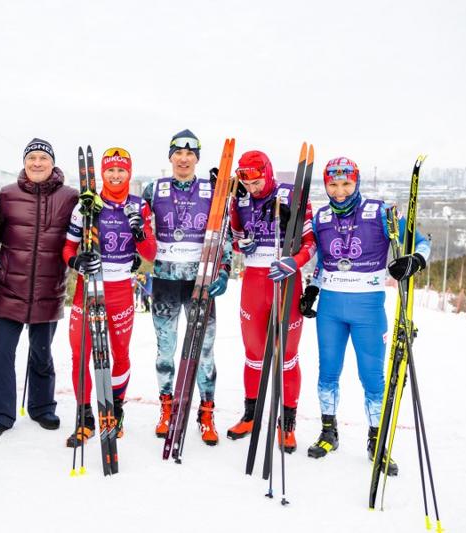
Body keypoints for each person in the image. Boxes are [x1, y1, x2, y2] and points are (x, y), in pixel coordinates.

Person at [300, 157, 430, 476]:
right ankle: (329, 432)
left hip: (368, 309)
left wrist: (415, 260)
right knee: (327, 373)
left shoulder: (381, 212)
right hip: (331, 308)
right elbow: (323, 260)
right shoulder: (322, 216)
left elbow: (421, 241)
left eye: (346, 184)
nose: (340, 191)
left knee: (372, 378)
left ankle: (376, 441)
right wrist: (313, 288)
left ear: (356, 182)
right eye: (333, 184)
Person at [0, 138, 78, 439]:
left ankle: (42, 406)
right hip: (10, 289)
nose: (37, 163)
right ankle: (0, 414)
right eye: (31, 158)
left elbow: (80, 235)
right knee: (3, 353)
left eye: (42, 158)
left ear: (52, 163)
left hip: (49, 289)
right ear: (24, 162)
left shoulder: (70, 197)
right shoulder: (8, 195)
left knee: (42, 353)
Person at [142, 129, 231, 446]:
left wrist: (224, 269)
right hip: (165, 281)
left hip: (200, 281)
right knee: (165, 350)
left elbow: (225, 232)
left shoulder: (212, 189)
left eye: (190, 153)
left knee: (204, 352)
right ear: (170, 156)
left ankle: (206, 413)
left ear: (197, 157)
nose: (183, 159)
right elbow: (137, 228)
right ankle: (167, 408)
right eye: (178, 153)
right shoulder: (154, 189)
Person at [62, 147, 156, 446]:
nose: (116, 175)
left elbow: (150, 253)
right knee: (80, 354)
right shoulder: (87, 205)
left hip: (120, 290)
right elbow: (68, 247)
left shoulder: (139, 206)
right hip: (88, 288)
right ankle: (85, 417)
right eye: (110, 170)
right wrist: (75, 262)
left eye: (121, 170)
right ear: (102, 173)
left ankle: (115, 410)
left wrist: (140, 233)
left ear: (129, 173)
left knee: (120, 353)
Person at [226, 150, 315, 453]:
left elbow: (311, 242)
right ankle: (251, 416)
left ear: (268, 172)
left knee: (287, 355)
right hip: (253, 282)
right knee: (253, 353)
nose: (252, 189)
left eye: (257, 182)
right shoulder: (240, 199)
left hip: (285, 279)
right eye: (247, 184)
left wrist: (294, 261)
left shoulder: (292, 195)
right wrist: (242, 244)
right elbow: (235, 238)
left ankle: (286, 424)